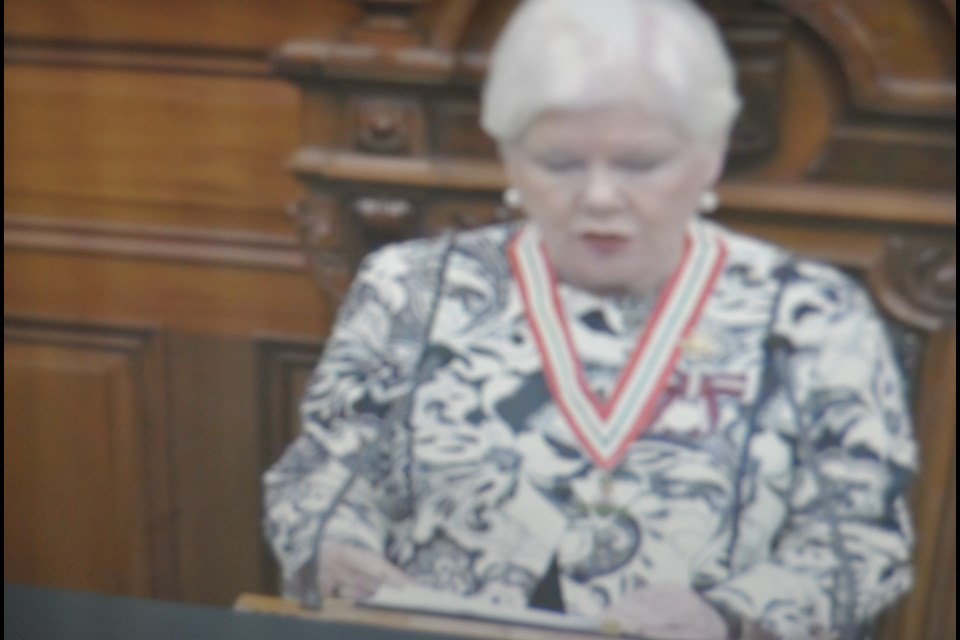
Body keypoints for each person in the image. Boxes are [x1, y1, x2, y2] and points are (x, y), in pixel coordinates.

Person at [263, 1, 918, 638]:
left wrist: (730, 614)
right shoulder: (409, 288)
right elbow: (319, 477)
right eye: (561, 163)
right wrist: (329, 544)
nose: (600, 197)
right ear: (512, 157)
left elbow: (862, 543)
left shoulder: (813, 317)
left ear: (709, 155)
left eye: (640, 163)